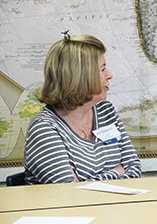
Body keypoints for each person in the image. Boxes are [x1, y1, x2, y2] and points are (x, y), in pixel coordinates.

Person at [24, 32, 142, 184]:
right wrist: (116, 171)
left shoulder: (106, 112)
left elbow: (134, 168)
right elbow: (71, 192)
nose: (110, 75)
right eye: (103, 69)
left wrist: (86, 181)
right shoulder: (44, 128)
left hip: (112, 206)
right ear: (81, 76)